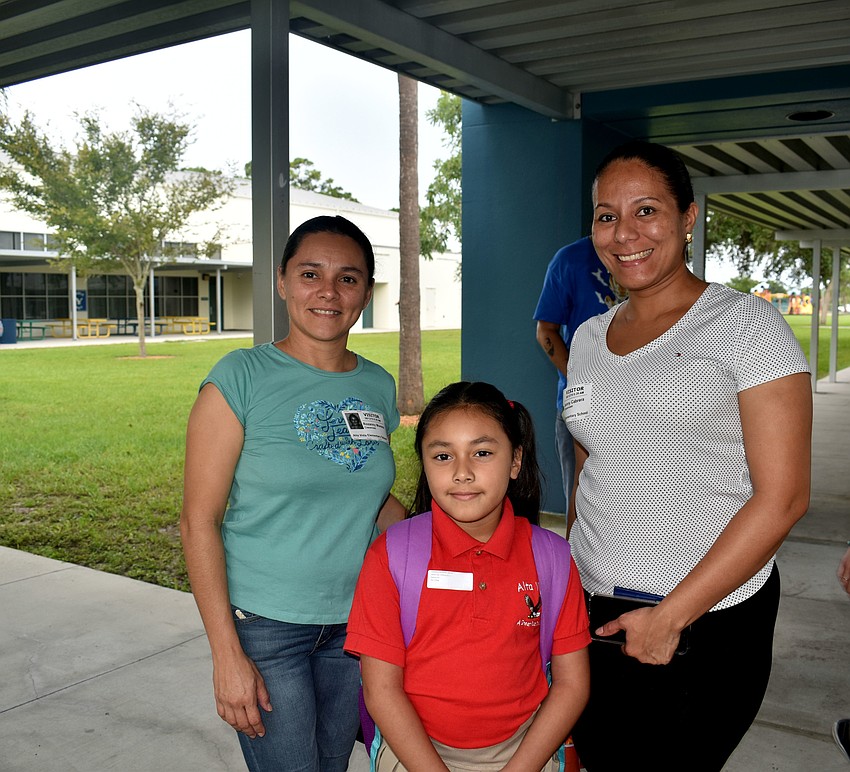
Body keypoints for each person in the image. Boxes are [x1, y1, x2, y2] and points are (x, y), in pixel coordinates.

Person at [565, 140, 812, 771]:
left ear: (688, 217)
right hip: (595, 609)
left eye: (646, 211)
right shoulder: (591, 335)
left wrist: (670, 617)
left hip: (705, 619)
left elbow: (783, 498)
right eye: (605, 215)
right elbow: (593, 463)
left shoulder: (744, 324)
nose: (625, 234)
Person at [180, 215, 406, 772]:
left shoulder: (377, 384)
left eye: (348, 278)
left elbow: (370, 497)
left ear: (364, 292)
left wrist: (454, 537)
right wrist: (226, 653)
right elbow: (198, 521)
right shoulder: (239, 378)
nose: (328, 291)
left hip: (357, 624)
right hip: (266, 626)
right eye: (311, 273)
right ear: (282, 281)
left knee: (332, 764)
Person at [345, 381, 591, 772]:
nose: (462, 473)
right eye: (443, 456)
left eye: (482, 452)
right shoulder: (390, 556)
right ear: (423, 463)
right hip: (416, 752)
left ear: (515, 461)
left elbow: (572, 684)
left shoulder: (554, 558)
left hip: (525, 750)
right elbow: (381, 690)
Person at [533, 237, 621, 512]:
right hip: (582, 404)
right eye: (606, 215)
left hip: (639, 400)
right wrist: (579, 381)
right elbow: (545, 331)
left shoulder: (645, 254)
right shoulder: (569, 259)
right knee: (580, 498)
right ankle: (573, 556)